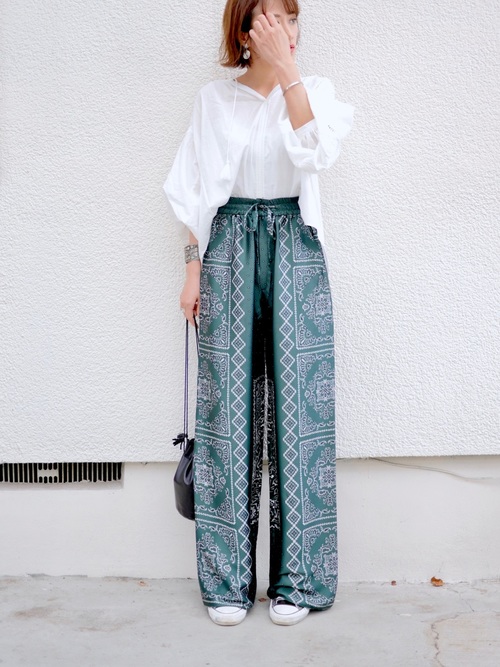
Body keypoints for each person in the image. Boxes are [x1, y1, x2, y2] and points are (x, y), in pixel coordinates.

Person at [164, 0, 353, 626]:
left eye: (292, 18)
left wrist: (287, 73)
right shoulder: (214, 100)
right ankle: (227, 581)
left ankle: (300, 580)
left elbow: (317, 152)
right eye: (271, 19)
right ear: (244, 31)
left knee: (301, 411)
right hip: (228, 245)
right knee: (227, 411)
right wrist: (192, 268)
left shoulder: (315, 91)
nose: (286, 30)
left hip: (296, 244)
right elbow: (193, 190)